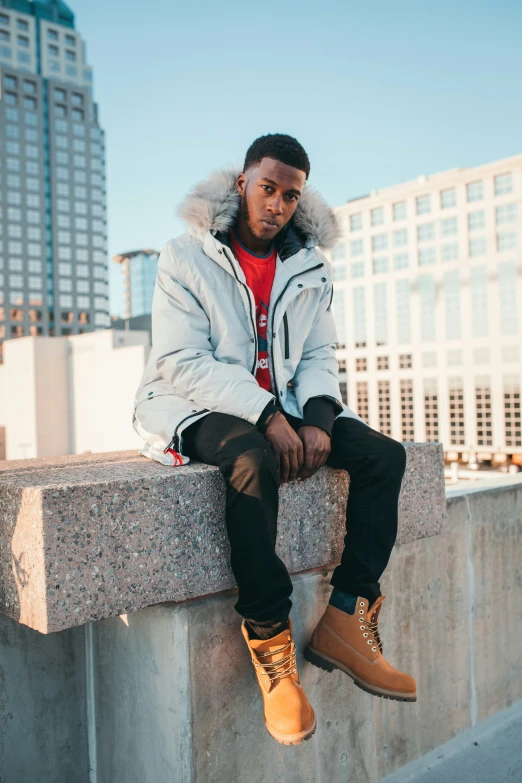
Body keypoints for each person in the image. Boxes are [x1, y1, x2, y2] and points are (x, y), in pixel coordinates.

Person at [133, 133, 416, 746]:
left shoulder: (311, 264)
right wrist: (267, 415)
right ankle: (272, 648)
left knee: (382, 457)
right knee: (251, 459)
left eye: (291, 195)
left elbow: (319, 351)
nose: (278, 204)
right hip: (194, 403)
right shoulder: (186, 255)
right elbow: (181, 361)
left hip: (286, 408)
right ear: (243, 183)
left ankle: (347, 617)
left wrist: (315, 416)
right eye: (268, 188)